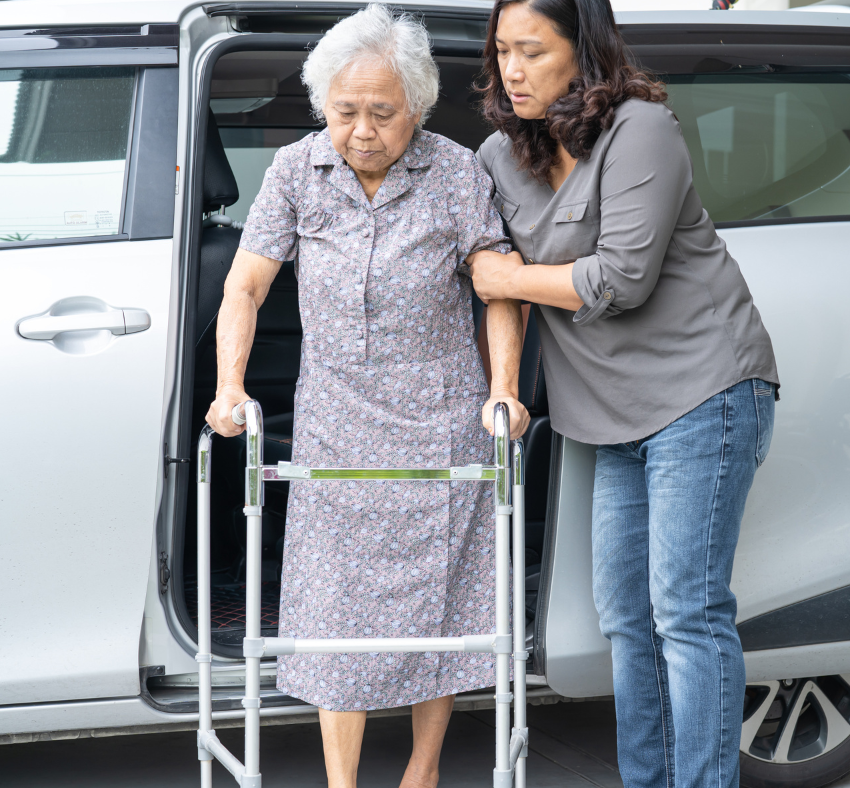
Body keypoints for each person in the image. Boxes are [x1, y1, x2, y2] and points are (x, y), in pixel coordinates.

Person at [204, 6, 528, 788]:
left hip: (438, 422)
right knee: (335, 614)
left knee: (439, 608)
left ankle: (423, 771)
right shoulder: (296, 170)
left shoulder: (455, 172)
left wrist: (504, 391)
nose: (361, 130)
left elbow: (499, 288)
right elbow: (245, 286)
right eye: (345, 110)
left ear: (417, 106)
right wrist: (229, 385)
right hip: (335, 425)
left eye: (382, 113)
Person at [467, 0, 779, 786]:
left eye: (533, 50)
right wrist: (503, 378)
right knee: (627, 620)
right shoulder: (498, 157)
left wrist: (510, 277)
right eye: (502, 50)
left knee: (687, 613)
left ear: (583, 49)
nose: (512, 70)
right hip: (610, 421)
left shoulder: (641, 128)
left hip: (703, 391)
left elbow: (622, 279)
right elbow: (488, 273)